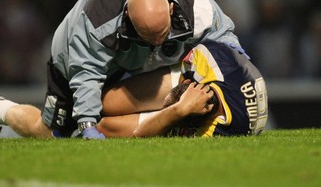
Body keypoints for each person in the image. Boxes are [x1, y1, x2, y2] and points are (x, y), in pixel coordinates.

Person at [0, 0, 242, 140]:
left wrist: (238, 63)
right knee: (52, 133)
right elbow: (87, 72)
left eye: (164, 34)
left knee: (168, 84)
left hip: (137, 61)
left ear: (170, 8)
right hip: (73, 59)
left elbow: (223, 32)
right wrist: (86, 123)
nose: (160, 42)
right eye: (151, 37)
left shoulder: (196, 7)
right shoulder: (97, 20)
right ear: (130, 22)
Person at [97, 40, 268, 137]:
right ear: (187, 83)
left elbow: (138, 135)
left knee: (105, 127)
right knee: (106, 102)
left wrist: (176, 112)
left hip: (190, 109)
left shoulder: (217, 131)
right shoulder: (212, 61)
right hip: (201, 75)